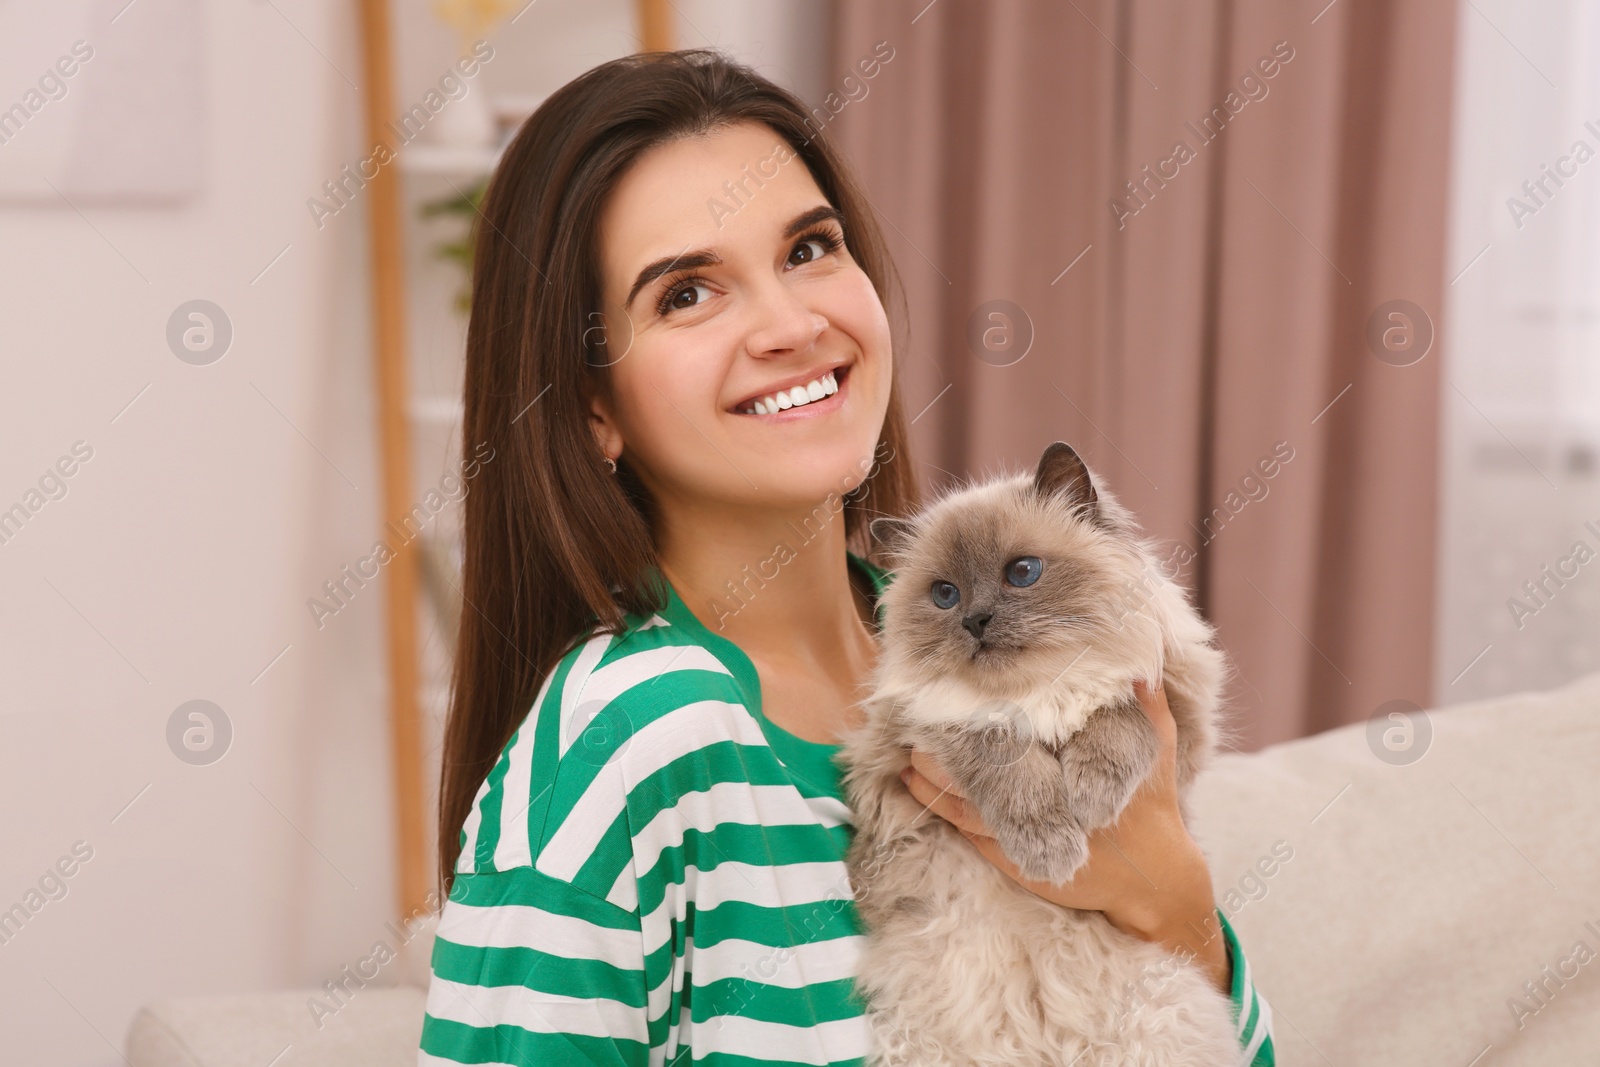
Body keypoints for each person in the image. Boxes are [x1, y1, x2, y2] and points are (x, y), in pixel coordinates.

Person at [420, 47, 1275, 1066]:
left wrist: (1174, 905)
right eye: (687, 293)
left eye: (809, 249)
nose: (791, 323)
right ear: (593, 405)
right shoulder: (627, 745)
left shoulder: (1011, 660)